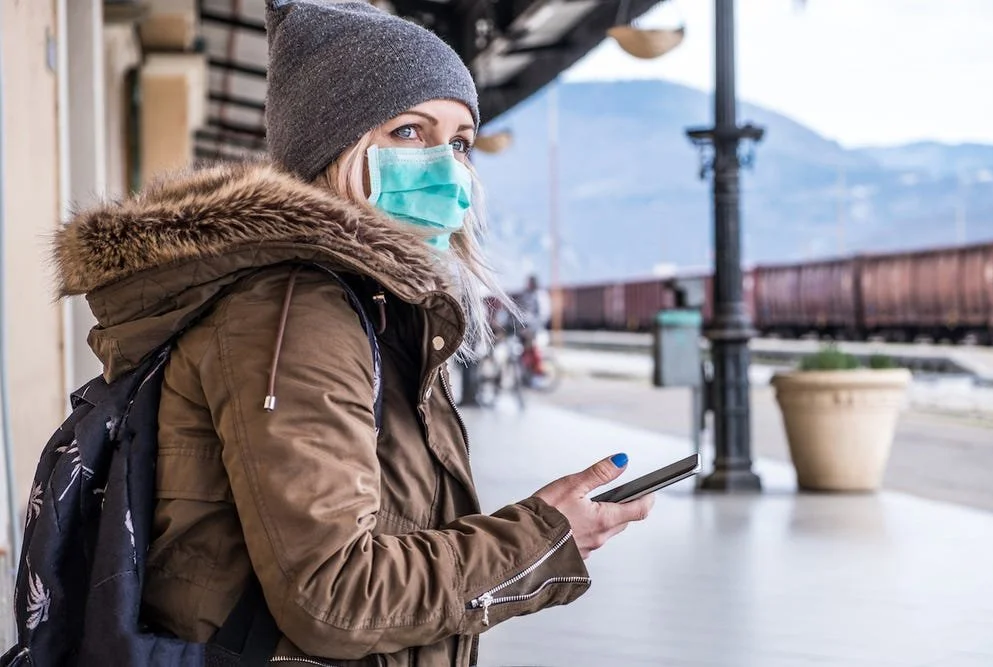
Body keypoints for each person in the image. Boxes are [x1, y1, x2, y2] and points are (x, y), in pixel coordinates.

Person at [53, 2, 653, 665]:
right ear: (330, 148)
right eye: (407, 131)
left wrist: (540, 528)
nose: (446, 165)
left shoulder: (366, 307)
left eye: (458, 141)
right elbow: (335, 595)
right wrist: (542, 535)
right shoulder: (298, 312)